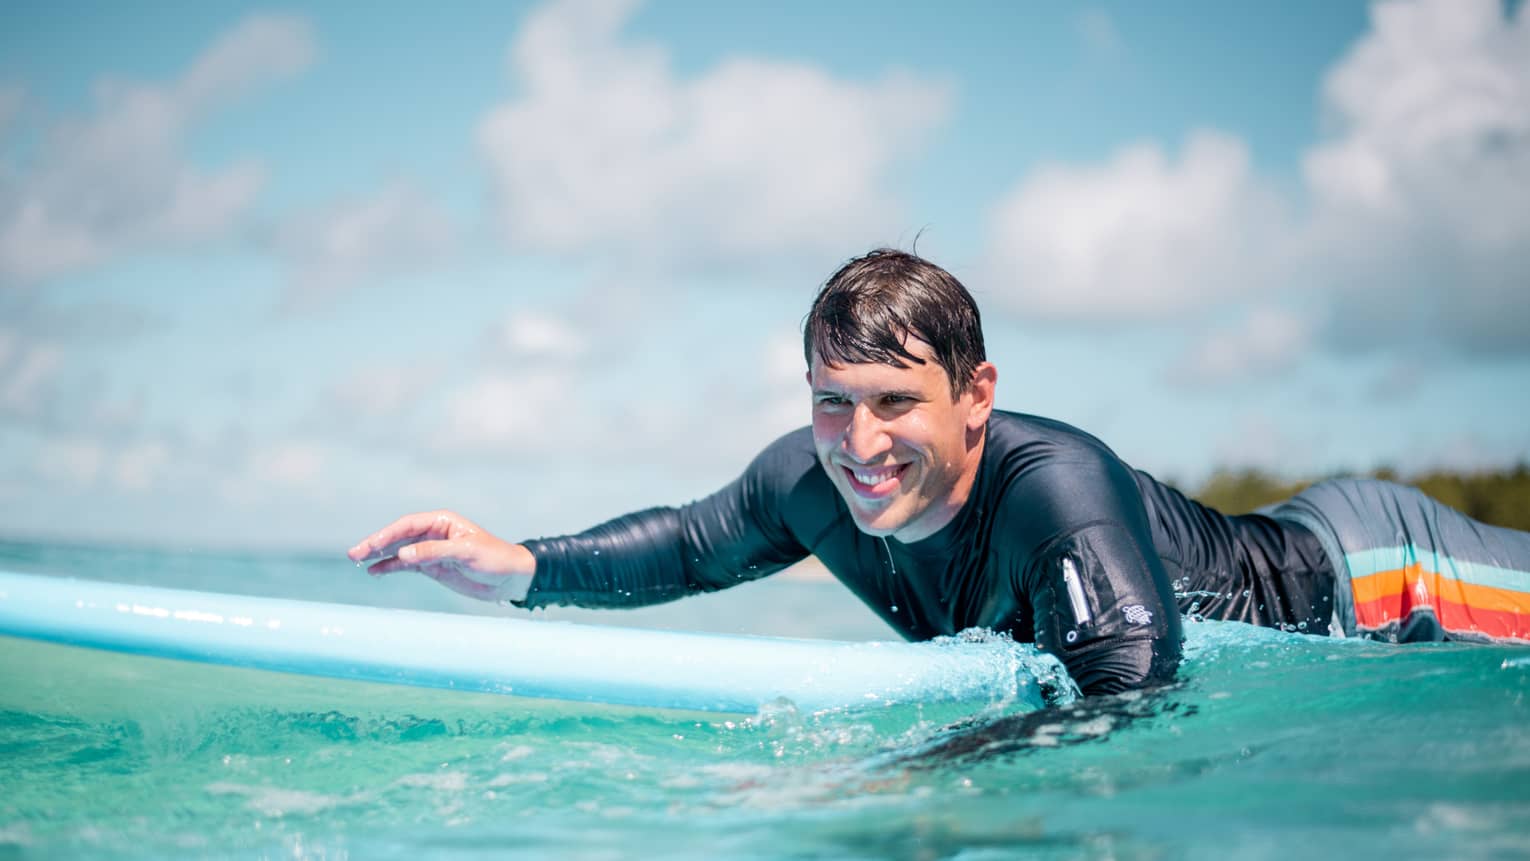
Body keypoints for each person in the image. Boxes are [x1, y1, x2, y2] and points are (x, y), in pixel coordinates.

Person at [348, 249, 1530, 697]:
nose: (859, 444)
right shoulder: (808, 482)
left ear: (976, 393)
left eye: (895, 403)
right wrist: (516, 568)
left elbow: (1129, 692)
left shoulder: (1054, 492)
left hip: (1380, 580)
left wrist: (913, 779)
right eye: (832, 400)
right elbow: (692, 547)